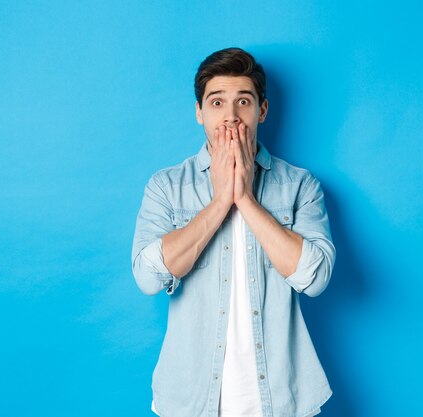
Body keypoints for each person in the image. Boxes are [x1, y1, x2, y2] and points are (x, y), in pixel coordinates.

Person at [132, 47, 336, 417]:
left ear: (262, 110)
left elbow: (316, 277)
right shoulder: (165, 186)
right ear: (199, 112)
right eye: (216, 102)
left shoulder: (299, 186)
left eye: (243, 101)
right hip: (190, 399)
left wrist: (244, 198)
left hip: (281, 397)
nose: (230, 117)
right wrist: (219, 202)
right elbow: (147, 277)